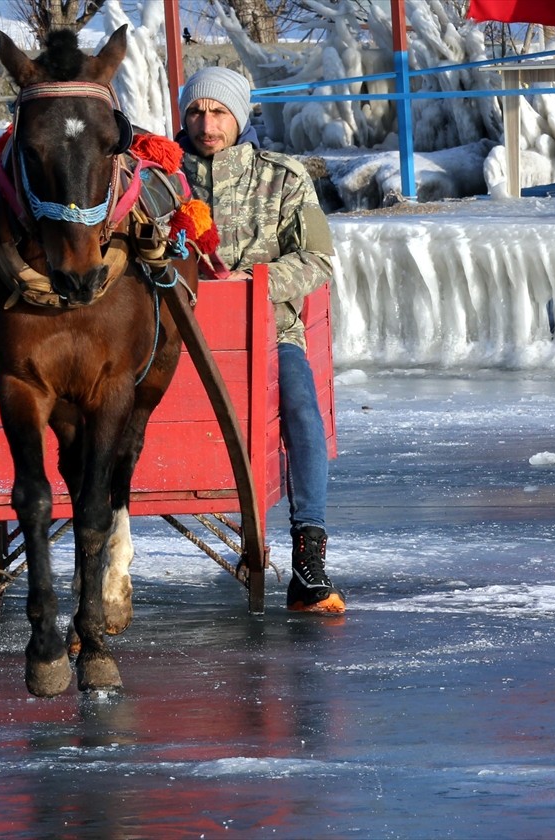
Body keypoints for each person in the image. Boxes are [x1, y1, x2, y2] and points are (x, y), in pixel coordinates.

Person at [175, 66, 345, 614]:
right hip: (168, 335)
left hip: (268, 331)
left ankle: (309, 559)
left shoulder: (282, 177)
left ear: (240, 114)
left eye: (219, 111)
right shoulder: (157, 177)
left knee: (301, 412)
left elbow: (317, 258)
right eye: (197, 112)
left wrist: (256, 288)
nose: (207, 124)